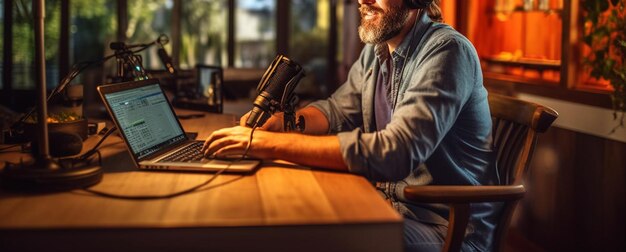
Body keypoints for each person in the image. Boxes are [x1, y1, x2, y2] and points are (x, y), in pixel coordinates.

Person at [203, 0, 499, 251]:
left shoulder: (447, 51)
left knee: (312, 236)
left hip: (446, 228)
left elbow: (397, 151)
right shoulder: (376, 50)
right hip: (389, 203)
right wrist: (285, 125)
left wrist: (263, 144)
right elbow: (336, 110)